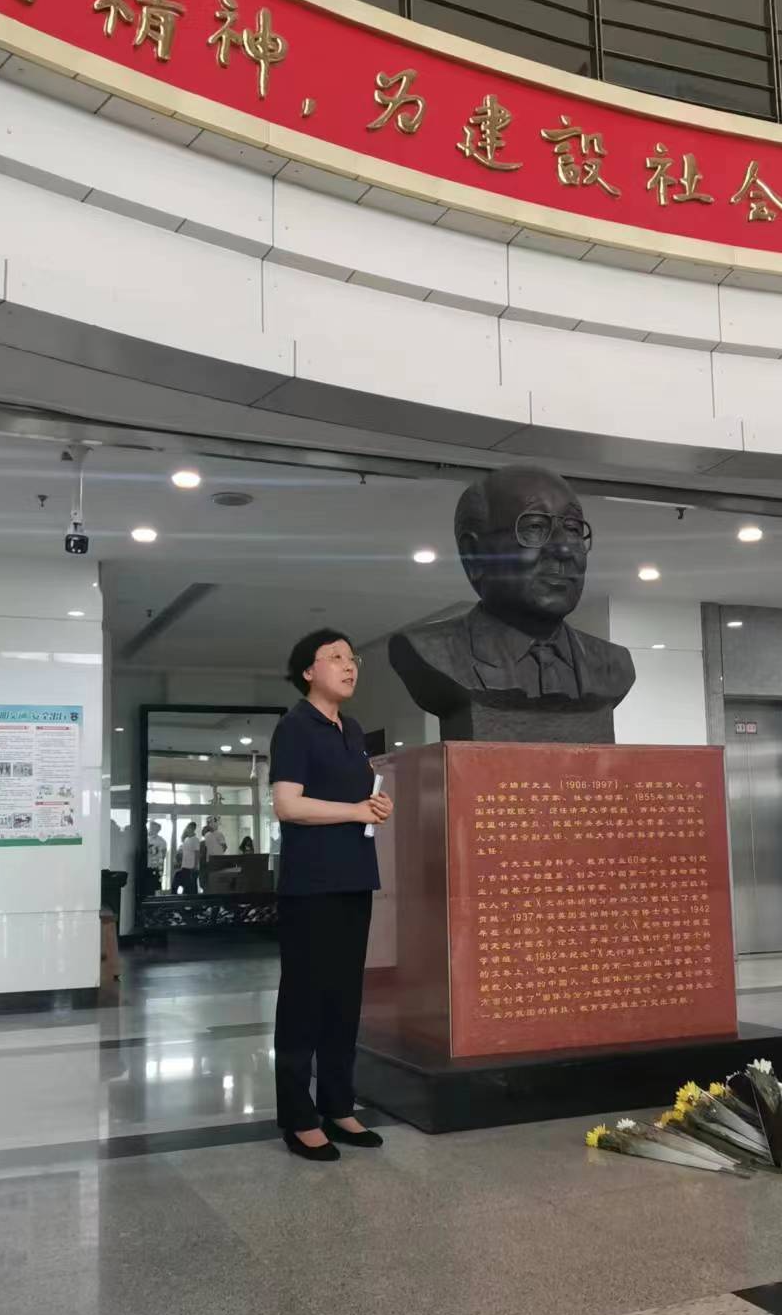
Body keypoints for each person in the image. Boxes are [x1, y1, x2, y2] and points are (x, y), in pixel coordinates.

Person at [388, 464, 635, 742]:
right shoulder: (432, 651)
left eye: (573, 529)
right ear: (475, 554)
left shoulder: (613, 665)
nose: (564, 548)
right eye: (535, 527)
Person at [270, 629, 392, 1162]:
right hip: (311, 885)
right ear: (308, 671)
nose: (349, 665)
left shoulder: (353, 728)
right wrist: (355, 811)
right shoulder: (295, 727)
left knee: (345, 999)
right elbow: (288, 805)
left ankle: (338, 1105)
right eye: (335, 657)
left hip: (354, 877)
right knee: (305, 1001)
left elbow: (359, 797)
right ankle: (299, 1118)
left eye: (352, 657)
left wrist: (376, 806)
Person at [173, 821, 200, 895]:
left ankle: (193, 901)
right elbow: (184, 853)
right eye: (188, 827)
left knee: (191, 887)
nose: (188, 829)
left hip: (191, 867)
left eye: (190, 828)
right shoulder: (186, 839)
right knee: (185, 885)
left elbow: (197, 853)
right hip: (185, 866)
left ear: (193, 829)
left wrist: (195, 866)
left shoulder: (195, 840)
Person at [146, 819, 168, 892]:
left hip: (155, 867)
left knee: (156, 887)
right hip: (144, 867)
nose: (150, 829)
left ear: (157, 830)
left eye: (152, 827)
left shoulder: (161, 841)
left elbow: (163, 855)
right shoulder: (144, 839)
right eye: (150, 827)